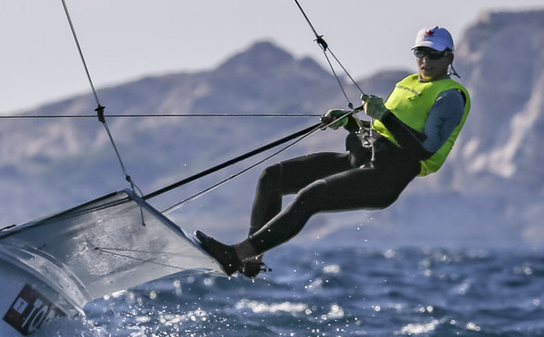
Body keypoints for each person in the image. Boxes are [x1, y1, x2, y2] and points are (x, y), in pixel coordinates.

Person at [197, 25, 471, 277]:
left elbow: (423, 150)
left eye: (433, 55)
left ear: (449, 57)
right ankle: (251, 260)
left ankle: (235, 255)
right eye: (419, 53)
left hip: (388, 176)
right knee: (272, 177)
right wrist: (351, 122)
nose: (425, 61)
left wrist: (384, 115)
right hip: (362, 159)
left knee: (311, 196)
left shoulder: (449, 96)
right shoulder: (409, 83)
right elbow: (385, 130)